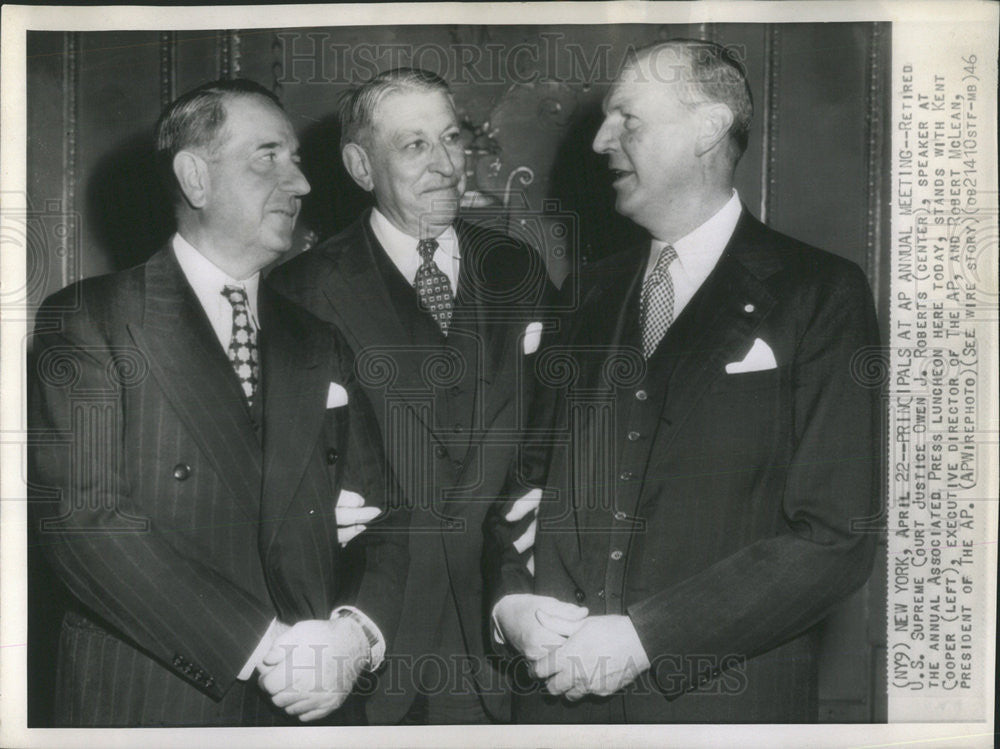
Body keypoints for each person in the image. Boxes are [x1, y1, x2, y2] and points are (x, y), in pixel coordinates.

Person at [492, 39, 882, 723]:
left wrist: (648, 638)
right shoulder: (584, 293)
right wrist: (510, 604)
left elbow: (834, 536)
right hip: (557, 705)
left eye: (628, 119)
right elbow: (522, 485)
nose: (601, 140)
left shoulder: (819, 293)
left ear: (707, 127)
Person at [28, 79, 402, 726]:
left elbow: (386, 519)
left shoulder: (319, 340)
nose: (301, 183)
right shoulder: (90, 320)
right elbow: (85, 523)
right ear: (195, 178)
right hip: (155, 700)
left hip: (316, 702)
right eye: (268, 156)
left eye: (297, 158)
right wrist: (266, 645)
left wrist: (351, 634)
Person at [269, 67, 553, 724]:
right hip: (370, 648)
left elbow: (547, 437)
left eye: (452, 138)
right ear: (360, 166)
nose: (448, 165)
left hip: (501, 642)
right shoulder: (299, 292)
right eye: (415, 145)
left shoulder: (519, 269)